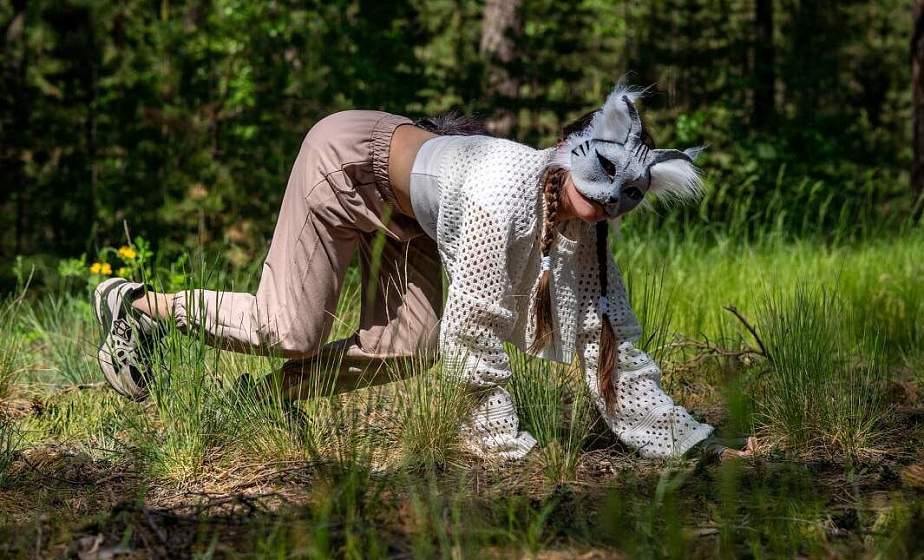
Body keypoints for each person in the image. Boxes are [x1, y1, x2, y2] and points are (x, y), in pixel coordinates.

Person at [94, 82, 754, 462]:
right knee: (288, 327)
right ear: (570, 152)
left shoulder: (580, 223)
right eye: (604, 179)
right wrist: (500, 442)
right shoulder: (501, 197)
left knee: (406, 348)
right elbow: (472, 332)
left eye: (630, 196)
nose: (611, 202)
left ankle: (256, 405)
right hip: (350, 163)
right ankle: (139, 305)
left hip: (412, 211)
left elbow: (609, 338)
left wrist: (683, 440)